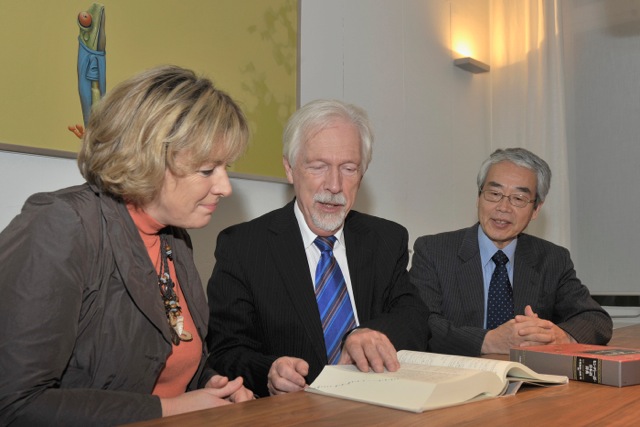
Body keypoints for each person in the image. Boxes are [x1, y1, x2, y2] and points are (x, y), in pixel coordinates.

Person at [0, 65, 255, 426]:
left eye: (226, 168)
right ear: (148, 158)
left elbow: (162, 362)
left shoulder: (175, 237)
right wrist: (176, 408)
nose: (225, 188)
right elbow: (14, 404)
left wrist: (210, 385)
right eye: (206, 171)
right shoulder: (61, 225)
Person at [206, 99, 430, 397]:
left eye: (349, 168)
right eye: (319, 166)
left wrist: (370, 332)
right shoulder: (243, 246)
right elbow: (226, 350)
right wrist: (269, 371)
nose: (334, 184)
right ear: (290, 169)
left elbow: (414, 317)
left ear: (362, 174)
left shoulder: (386, 238)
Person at [409, 147, 613, 356]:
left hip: (531, 381)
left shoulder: (552, 259)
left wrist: (559, 336)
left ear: (536, 210)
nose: (503, 207)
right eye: (494, 194)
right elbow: (420, 323)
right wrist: (489, 341)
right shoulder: (434, 251)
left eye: (518, 198)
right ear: (478, 197)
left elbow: (596, 319)